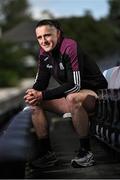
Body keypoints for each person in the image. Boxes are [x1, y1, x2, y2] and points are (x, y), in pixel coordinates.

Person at [24, 19, 108, 168]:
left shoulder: (69, 47)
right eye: (39, 37)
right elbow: (41, 83)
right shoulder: (44, 53)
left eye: (47, 35)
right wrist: (33, 93)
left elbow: (75, 85)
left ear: (58, 33)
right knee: (34, 102)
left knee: (72, 97)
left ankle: (86, 153)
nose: (43, 41)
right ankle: (47, 154)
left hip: (96, 95)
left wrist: (43, 95)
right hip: (71, 97)